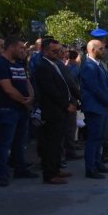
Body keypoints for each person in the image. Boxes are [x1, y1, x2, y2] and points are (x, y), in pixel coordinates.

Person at [0, 36, 34, 186]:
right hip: (6, 110)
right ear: (11, 48)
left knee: (20, 142)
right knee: (4, 143)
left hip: (21, 109)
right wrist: (24, 101)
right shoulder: (0, 64)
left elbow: (26, 81)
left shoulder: (20, 63)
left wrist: (31, 96)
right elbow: (8, 89)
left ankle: (20, 168)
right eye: (21, 48)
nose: (24, 50)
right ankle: (2, 174)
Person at [34, 39, 74, 185]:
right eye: (54, 51)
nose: (58, 53)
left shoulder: (54, 64)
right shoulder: (43, 67)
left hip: (59, 111)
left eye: (59, 51)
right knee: (51, 144)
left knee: (57, 143)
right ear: (45, 51)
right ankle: (50, 174)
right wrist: (65, 105)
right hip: (52, 111)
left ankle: (56, 169)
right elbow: (51, 91)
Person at [79, 40, 108, 179]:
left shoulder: (99, 65)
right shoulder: (88, 66)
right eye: (101, 49)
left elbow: (106, 85)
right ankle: (90, 168)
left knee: (99, 138)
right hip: (94, 107)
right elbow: (94, 88)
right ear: (92, 50)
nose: (104, 51)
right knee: (93, 139)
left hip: (102, 107)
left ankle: (98, 163)